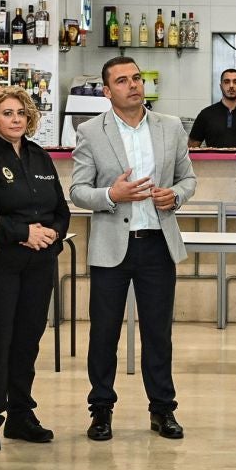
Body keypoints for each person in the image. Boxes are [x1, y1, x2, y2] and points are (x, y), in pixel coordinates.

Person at [71, 56, 197, 442]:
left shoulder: (170, 127)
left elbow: (188, 178)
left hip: (157, 245)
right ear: (107, 92)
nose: (133, 85)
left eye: (137, 78)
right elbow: (77, 191)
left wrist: (173, 196)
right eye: (122, 81)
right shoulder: (92, 131)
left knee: (159, 334)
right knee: (104, 333)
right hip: (112, 246)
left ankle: (162, 410)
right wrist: (112, 194)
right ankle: (101, 410)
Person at [0, 86, 69, 452]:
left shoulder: (40, 157)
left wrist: (50, 236)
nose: (15, 119)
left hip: (39, 264)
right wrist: (22, 233)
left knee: (28, 341)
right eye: (7, 113)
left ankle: (21, 415)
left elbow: (61, 208)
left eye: (20, 113)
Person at [188, 67, 236, 149]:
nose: (231, 86)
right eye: (227, 82)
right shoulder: (205, 115)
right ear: (221, 86)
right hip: (212, 161)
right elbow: (192, 148)